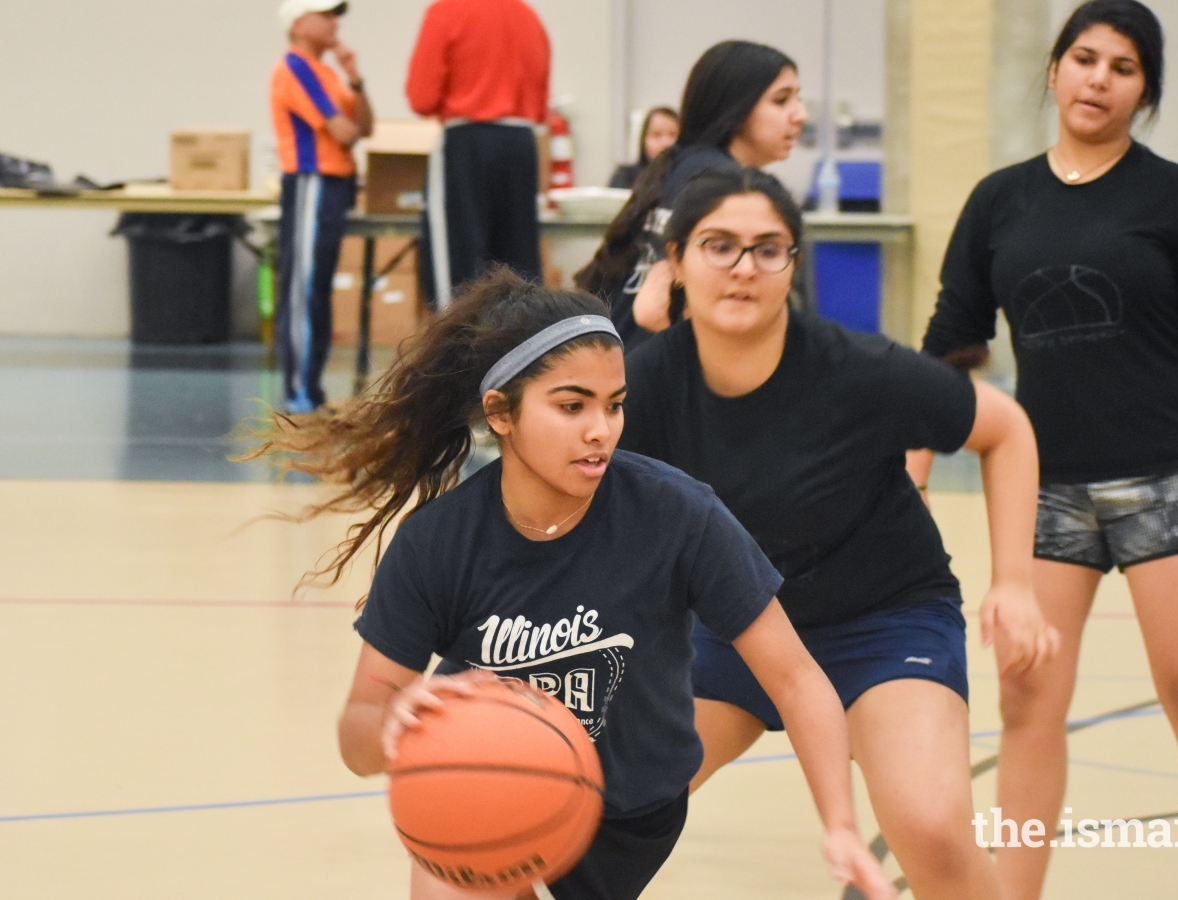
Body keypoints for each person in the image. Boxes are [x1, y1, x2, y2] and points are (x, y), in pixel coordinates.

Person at [246, 269, 895, 900]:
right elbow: (357, 738)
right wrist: (390, 723)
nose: (600, 429)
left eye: (614, 405)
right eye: (571, 405)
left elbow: (797, 680)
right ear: (500, 413)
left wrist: (840, 825)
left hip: (632, 812)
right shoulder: (438, 543)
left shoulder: (678, 515)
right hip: (485, 787)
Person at [619, 167, 1058, 900]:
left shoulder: (858, 371)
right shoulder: (647, 386)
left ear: (793, 265)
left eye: (768, 249)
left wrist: (1014, 584)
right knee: (599, 808)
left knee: (932, 826)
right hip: (735, 635)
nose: (742, 268)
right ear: (676, 265)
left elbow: (1005, 429)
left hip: (881, 624)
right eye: (718, 245)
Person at [918, 3, 1178, 898]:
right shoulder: (1001, 200)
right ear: (1054, 69)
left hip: (1172, 481)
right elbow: (947, 349)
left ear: (1143, 91)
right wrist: (910, 479)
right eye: (1084, 58)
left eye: (1122, 67)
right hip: (1043, 491)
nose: (1098, 79)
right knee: (1029, 703)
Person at [576, 40, 807, 348]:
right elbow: (652, 311)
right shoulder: (717, 182)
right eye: (781, 100)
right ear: (736, 108)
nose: (800, 115)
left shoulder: (687, 163)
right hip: (646, 367)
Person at [406, 0, 549, 302]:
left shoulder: (447, 11)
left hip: (467, 142)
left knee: (458, 271)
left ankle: (455, 347)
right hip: (521, 143)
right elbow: (541, 96)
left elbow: (422, 96)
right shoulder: (528, 16)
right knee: (518, 269)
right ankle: (521, 347)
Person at [271, 0, 372, 414]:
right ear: (299, 22)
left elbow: (365, 126)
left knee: (318, 292)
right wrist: (349, 127)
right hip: (311, 184)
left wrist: (356, 79)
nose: (335, 22)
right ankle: (300, 392)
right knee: (304, 290)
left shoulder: (328, 73)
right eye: (326, 13)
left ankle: (311, 389)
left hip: (334, 186)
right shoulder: (295, 67)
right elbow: (345, 132)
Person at [608, 107, 680, 190]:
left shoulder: (688, 179)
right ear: (643, 140)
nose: (665, 143)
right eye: (656, 135)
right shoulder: (626, 177)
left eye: (673, 134)